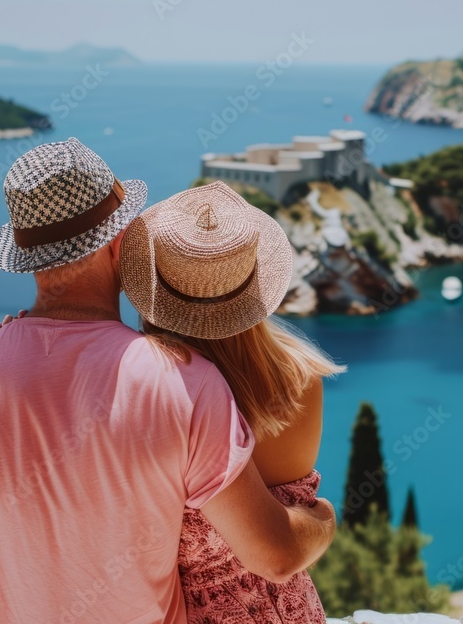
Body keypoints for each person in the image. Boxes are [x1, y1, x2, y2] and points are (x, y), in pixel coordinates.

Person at [0, 139, 335, 623]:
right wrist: (322, 518)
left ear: (26, 254)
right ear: (120, 239)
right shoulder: (183, 380)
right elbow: (273, 556)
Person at [119, 181, 345, 623]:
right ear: (255, 281)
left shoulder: (141, 395)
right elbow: (292, 531)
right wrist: (326, 519)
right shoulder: (300, 379)